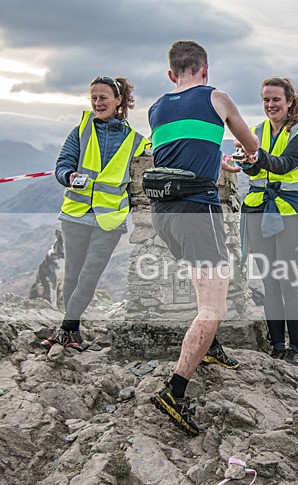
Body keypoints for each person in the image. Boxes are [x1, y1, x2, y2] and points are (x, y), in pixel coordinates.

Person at [147, 40, 260, 436]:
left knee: (201, 285)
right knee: (213, 306)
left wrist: (218, 163)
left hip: (164, 214)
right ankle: (175, 391)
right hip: (199, 210)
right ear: (205, 69)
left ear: (171, 74)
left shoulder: (156, 108)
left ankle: (210, 350)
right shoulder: (218, 97)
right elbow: (253, 146)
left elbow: (183, 153)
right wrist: (242, 157)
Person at [43, 76, 150, 350]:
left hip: (110, 219)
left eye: (103, 97)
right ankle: (72, 331)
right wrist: (69, 175)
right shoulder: (81, 129)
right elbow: (62, 165)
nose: (97, 102)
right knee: (73, 274)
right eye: (93, 97)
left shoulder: (137, 141)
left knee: (90, 276)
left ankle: (66, 328)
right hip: (75, 213)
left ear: (118, 101)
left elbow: (156, 162)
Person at [238, 77, 298, 367]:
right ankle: (277, 345)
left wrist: (254, 155)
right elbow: (254, 172)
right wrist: (244, 162)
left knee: (289, 281)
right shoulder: (256, 131)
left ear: (289, 101)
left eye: (276, 99)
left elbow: (284, 164)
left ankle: (296, 348)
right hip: (258, 209)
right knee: (269, 282)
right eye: (265, 99)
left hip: (289, 212)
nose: (270, 105)